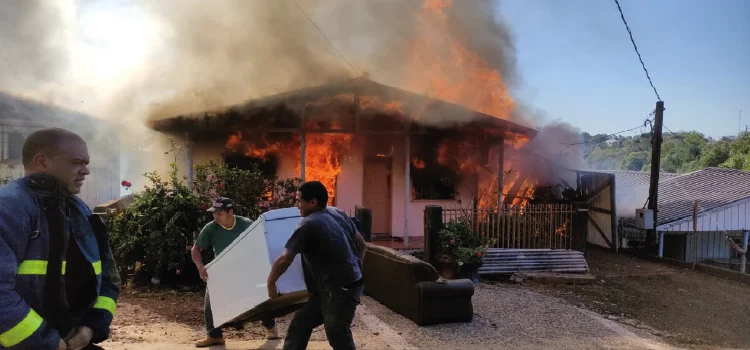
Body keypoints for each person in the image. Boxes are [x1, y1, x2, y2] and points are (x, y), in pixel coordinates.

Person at [0, 127, 121, 350]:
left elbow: (108, 278)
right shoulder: (8, 208)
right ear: (42, 162)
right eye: (77, 162)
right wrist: (46, 342)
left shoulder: (81, 211)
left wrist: (91, 327)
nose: (86, 171)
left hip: (72, 340)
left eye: (86, 162)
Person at [267, 181, 368, 350]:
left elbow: (285, 260)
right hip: (334, 288)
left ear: (313, 202)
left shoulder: (308, 224)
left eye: (299, 201)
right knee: (300, 324)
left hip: (338, 291)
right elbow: (362, 245)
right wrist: (356, 269)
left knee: (338, 336)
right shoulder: (337, 212)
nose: (296, 205)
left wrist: (271, 284)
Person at [192, 197, 278, 347]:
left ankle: (270, 327)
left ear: (230, 211)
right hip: (223, 271)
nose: (215, 216)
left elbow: (261, 244)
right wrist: (200, 266)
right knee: (210, 302)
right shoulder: (211, 228)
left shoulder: (246, 225)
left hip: (246, 269)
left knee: (260, 299)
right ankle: (214, 336)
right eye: (214, 213)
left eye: (219, 213)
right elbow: (196, 249)